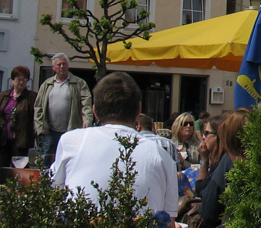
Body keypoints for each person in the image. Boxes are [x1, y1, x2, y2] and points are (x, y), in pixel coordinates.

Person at [50, 72, 177, 214]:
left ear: (95, 111)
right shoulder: (163, 156)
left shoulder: (71, 141)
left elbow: (54, 198)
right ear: (139, 110)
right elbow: (169, 225)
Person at [34, 53, 94, 166]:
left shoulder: (79, 83)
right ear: (53, 68)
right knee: (47, 161)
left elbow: (86, 104)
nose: (62, 67)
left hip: (71, 130)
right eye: (59, 64)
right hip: (50, 131)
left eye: (64, 64)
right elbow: (38, 106)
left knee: (70, 160)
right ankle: (46, 182)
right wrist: (39, 126)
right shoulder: (47, 84)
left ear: (68, 65)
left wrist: (87, 120)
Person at [195, 111, 248, 228]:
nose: (203, 137)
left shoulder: (228, 161)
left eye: (207, 133)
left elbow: (207, 211)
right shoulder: (258, 161)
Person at [0, 66, 37, 167]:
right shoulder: (3, 96)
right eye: (19, 79)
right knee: (2, 168)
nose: (21, 82)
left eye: (24, 79)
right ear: (12, 80)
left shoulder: (32, 97)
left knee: (20, 169)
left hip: (21, 140)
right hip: (3, 139)